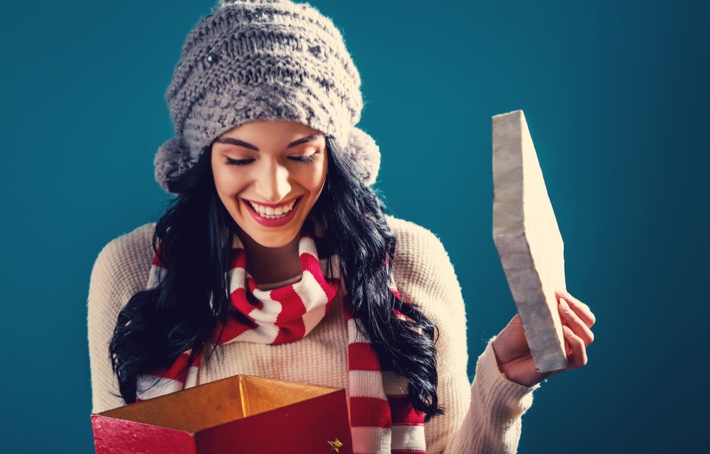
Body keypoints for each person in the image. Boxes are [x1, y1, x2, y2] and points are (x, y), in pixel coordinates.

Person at [87, 1, 596, 453]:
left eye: (301, 155)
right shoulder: (131, 273)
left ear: (336, 154)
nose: (274, 189)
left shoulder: (411, 262)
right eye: (240, 159)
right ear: (203, 162)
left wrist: (502, 385)